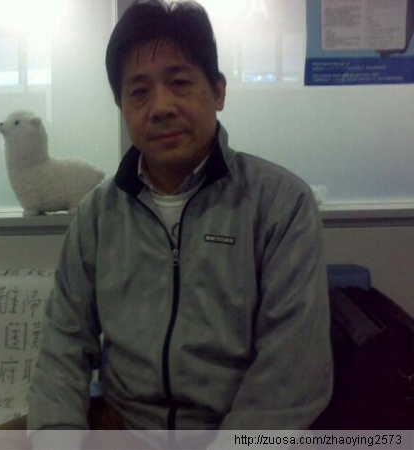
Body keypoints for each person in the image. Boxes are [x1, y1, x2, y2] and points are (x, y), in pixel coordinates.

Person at [24, 0, 333, 447]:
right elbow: (62, 345)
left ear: (218, 92)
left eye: (180, 83)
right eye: (139, 92)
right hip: (121, 426)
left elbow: (292, 372)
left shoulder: (280, 205)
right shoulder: (97, 215)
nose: (161, 107)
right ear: (122, 106)